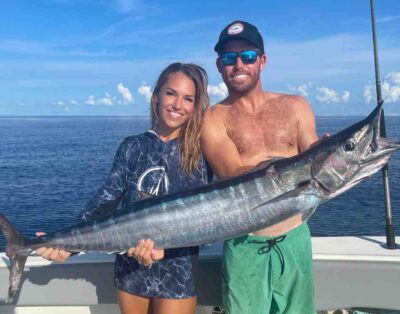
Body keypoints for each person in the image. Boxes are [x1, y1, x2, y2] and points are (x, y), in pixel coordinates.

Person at [36, 62, 211, 314]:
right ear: (156, 97)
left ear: (195, 106)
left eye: (188, 98)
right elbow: (104, 202)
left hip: (178, 269)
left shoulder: (202, 152)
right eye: (171, 93)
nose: (177, 104)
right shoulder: (132, 146)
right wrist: (67, 244)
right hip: (131, 267)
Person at [200, 21, 319, 314]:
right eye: (229, 59)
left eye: (248, 56)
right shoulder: (211, 119)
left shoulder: (297, 106)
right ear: (219, 66)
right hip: (245, 246)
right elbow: (234, 180)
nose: (238, 65)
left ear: (262, 61)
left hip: (296, 239)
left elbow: (316, 157)